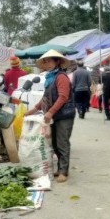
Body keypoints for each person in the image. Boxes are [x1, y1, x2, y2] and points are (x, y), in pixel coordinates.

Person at [25, 50, 76, 183]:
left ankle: (64, 171)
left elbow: (63, 97)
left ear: (57, 61)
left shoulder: (61, 77)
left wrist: (50, 112)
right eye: (45, 61)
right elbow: (46, 97)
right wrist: (33, 110)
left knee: (62, 143)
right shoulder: (50, 78)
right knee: (54, 143)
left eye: (49, 61)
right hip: (55, 115)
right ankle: (60, 168)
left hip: (64, 114)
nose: (46, 64)